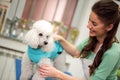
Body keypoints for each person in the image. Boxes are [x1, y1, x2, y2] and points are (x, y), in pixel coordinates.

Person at [39, 0, 120, 80]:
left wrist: (58, 74)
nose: (88, 26)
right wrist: (60, 39)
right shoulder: (93, 40)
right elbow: (75, 52)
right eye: (89, 20)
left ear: (109, 27)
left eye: (94, 24)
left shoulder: (113, 52)